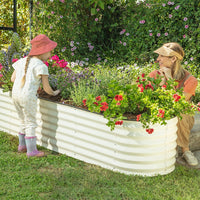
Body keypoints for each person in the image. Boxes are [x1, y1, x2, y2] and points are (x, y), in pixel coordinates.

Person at [149, 42, 198, 166]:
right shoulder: (154, 75)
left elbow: (178, 103)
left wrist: (170, 80)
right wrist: (159, 85)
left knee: (180, 113)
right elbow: (147, 100)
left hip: (183, 116)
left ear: (173, 59)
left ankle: (185, 150)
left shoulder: (190, 80)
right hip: (160, 113)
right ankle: (171, 149)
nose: (157, 59)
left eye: (161, 56)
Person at [11, 34, 60, 158]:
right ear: (42, 51)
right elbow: (47, 88)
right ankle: (31, 151)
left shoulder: (21, 61)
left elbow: (12, 79)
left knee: (22, 120)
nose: (50, 55)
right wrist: (54, 93)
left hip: (15, 95)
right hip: (27, 97)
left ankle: (22, 146)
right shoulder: (41, 66)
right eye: (49, 52)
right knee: (31, 123)